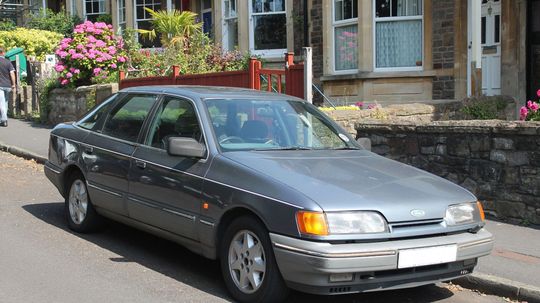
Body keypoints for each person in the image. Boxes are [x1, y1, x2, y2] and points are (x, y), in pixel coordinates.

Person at [0, 47, 16, 127]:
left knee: (2, 103)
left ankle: (4, 120)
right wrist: (13, 84)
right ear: (3, 53)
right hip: (8, 85)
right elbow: (12, 74)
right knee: (5, 103)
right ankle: (3, 119)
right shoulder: (8, 62)